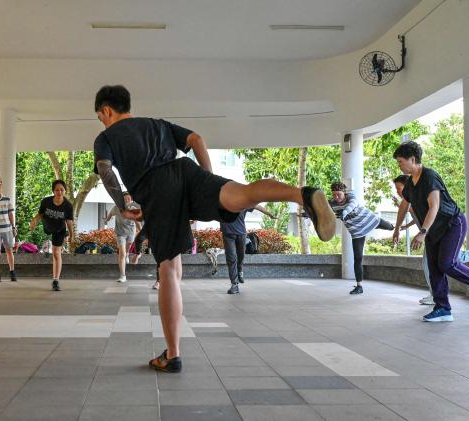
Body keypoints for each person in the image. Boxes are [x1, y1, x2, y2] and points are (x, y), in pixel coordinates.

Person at [92, 85, 335, 373]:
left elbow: (105, 169)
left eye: (101, 117)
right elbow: (196, 139)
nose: (102, 122)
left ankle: (172, 354)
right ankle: (301, 195)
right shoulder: (158, 125)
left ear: (106, 110)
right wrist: (206, 179)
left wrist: (122, 205)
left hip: (155, 188)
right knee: (241, 194)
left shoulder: (106, 137)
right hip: (186, 171)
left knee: (167, 269)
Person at [392, 141, 469, 322]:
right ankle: (443, 309)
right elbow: (404, 205)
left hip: (452, 224)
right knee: (434, 269)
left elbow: (435, 206)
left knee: (447, 264)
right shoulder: (410, 184)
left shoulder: (429, 176)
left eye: (400, 161)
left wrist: (422, 232)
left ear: (412, 159)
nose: (399, 165)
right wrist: (397, 228)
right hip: (433, 229)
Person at [329, 182, 395, 295]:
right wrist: (308, 214)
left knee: (390, 227)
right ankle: (359, 286)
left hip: (370, 219)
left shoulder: (351, 197)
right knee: (358, 258)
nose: (336, 197)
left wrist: (344, 212)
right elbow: (320, 210)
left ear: (344, 193)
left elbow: (351, 205)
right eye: (334, 195)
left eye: (339, 194)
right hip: (356, 231)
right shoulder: (331, 203)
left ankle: (399, 228)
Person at [29, 180, 74, 291]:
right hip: (48, 227)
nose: (59, 192)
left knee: (56, 253)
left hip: (59, 230)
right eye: (57, 190)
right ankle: (55, 279)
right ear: (53, 191)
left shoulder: (68, 206)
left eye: (61, 190)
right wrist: (34, 221)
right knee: (54, 252)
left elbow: (69, 222)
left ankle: (55, 280)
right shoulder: (46, 201)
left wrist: (72, 235)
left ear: (65, 191)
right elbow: (39, 214)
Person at [221, 205, 275, 295]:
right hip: (228, 235)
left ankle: (240, 269)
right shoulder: (221, 202)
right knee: (231, 259)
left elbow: (257, 206)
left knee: (241, 256)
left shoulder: (243, 202)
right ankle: (234, 285)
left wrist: (269, 214)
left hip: (241, 234)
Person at [105, 192, 139, 283]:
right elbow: (109, 216)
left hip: (131, 233)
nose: (127, 200)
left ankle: (127, 254)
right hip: (120, 234)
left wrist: (142, 231)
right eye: (125, 199)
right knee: (122, 254)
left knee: (127, 250)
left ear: (131, 200)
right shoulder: (116, 208)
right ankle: (123, 276)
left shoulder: (133, 209)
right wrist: (107, 219)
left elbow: (138, 222)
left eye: (129, 199)